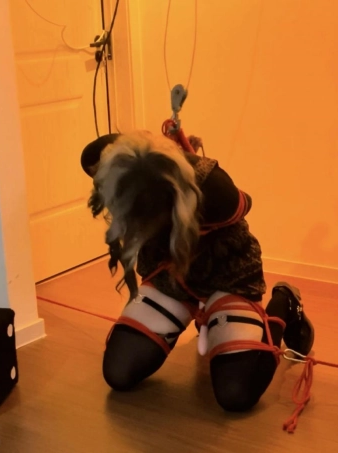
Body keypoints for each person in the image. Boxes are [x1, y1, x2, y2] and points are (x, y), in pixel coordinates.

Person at [80, 130, 314, 413]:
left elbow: (244, 203)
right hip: (170, 276)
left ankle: (285, 301)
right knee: (118, 372)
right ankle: (194, 314)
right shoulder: (112, 168)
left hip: (227, 274)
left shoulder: (214, 188)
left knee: (235, 393)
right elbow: (95, 155)